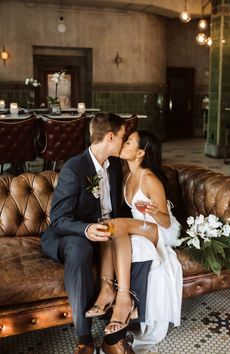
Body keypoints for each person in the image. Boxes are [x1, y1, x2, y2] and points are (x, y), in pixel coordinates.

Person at [41, 113, 152, 354]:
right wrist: (87, 229)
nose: (124, 141)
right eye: (122, 136)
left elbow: (116, 209)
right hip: (68, 236)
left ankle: (116, 336)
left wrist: (141, 218)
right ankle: (84, 340)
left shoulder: (113, 168)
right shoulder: (74, 168)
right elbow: (58, 219)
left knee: (137, 246)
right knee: (80, 248)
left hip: (106, 234)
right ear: (110, 137)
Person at [86, 130, 183, 352]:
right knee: (108, 228)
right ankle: (107, 289)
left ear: (140, 153)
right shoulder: (127, 174)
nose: (123, 143)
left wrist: (154, 211)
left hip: (160, 228)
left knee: (115, 225)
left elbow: (166, 222)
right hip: (142, 225)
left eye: (128, 142)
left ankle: (121, 298)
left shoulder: (149, 178)